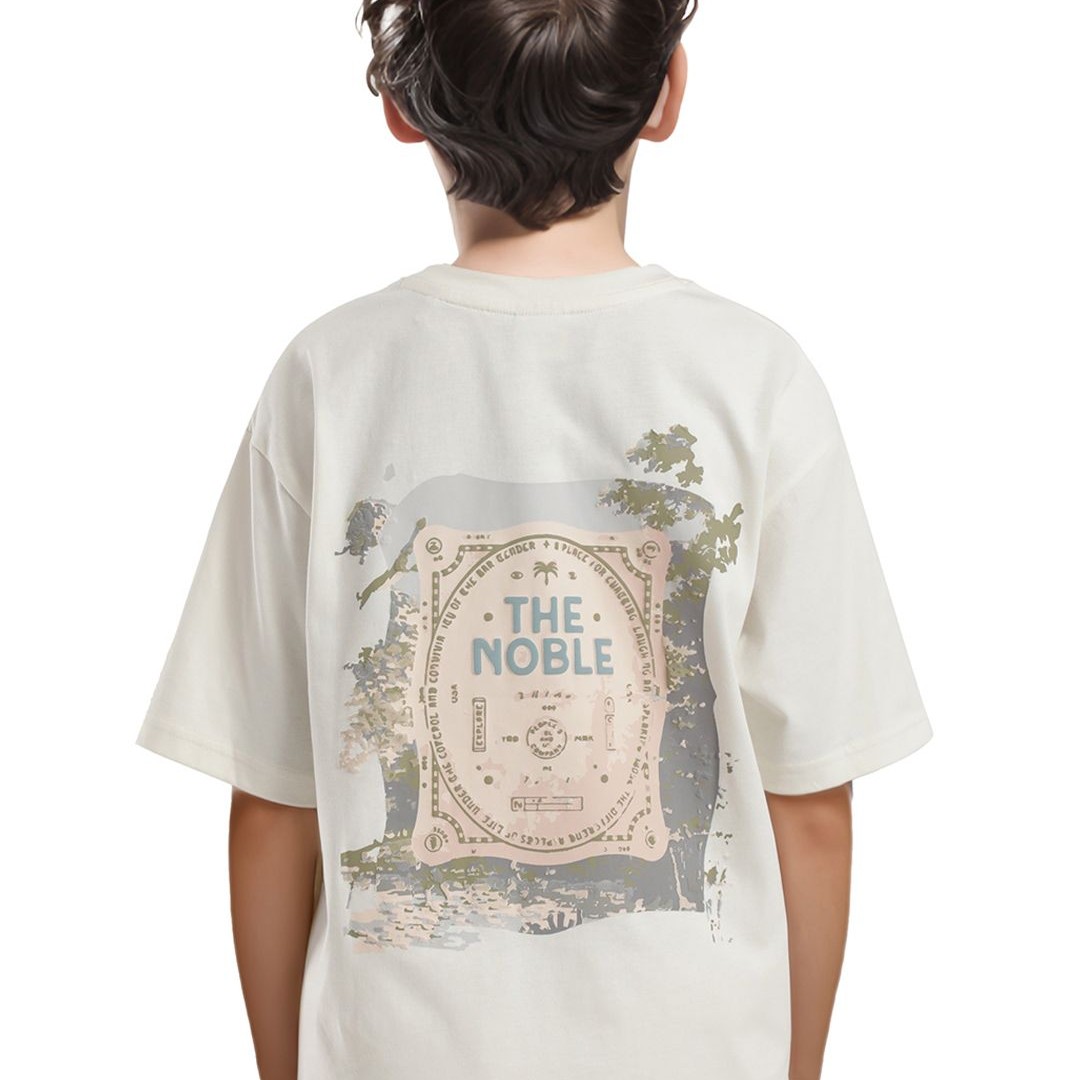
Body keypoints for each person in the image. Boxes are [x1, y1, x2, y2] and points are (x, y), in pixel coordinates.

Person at [134, 2, 934, 1078]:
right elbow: (815, 801)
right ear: (667, 93)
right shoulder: (756, 378)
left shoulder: (329, 378)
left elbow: (272, 801)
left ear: (401, 106)